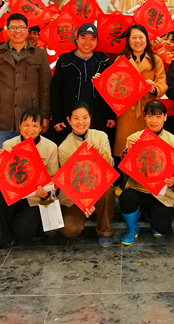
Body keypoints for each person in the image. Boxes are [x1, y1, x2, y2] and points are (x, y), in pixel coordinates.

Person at [0, 12, 52, 155]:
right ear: (7, 31)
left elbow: (45, 87)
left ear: (27, 30)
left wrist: (45, 116)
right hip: (0, 119)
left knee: (28, 161)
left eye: (21, 28)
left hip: (30, 121)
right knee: (2, 161)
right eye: (13, 28)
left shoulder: (39, 54)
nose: (17, 31)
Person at [119, 100, 174, 244]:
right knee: (126, 198)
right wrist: (129, 152)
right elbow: (125, 172)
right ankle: (132, 228)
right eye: (150, 116)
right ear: (145, 117)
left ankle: (151, 215)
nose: (154, 121)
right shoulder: (133, 138)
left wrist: (173, 181)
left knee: (161, 228)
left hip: (161, 192)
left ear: (165, 117)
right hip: (137, 187)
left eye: (158, 116)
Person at [0, 109, 59, 249]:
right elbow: (3, 177)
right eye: (26, 125)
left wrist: (45, 192)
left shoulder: (51, 147)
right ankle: (6, 237)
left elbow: (54, 178)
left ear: (41, 128)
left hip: (37, 198)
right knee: (0, 197)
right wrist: (3, 160)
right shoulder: (9, 144)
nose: (30, 129)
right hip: (17, 195)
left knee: (22, 233)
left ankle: (37, 227)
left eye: (35, 126)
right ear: (19, 125)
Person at [57, 102, 116, 247]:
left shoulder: (100, 136)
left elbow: (110, 167)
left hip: (98, 186)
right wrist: (84, 202)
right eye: (76, 118)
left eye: (85, 117)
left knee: (108, 190)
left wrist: (100, 153)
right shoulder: (64, 147)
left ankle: (105, 231)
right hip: (76, 194)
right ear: (69, 120)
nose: (81, 122)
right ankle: (85, 215)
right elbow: (68, 182)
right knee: (69, 230)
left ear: (90, 118)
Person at [48, 23, 115, 146]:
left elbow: (111, 91)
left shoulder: (104, 62)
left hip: (97, 118)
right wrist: (57, 118)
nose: (87, 42)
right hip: (69, 119)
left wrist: (111, 116)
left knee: (97, 152)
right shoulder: (64, 61)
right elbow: (55, 91)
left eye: (92, 39)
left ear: (97, 42)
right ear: (77, 39)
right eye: (83, 38)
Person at [114, 25, 168, 158]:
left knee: (146, 153)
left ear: (146, 39)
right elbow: (113, 84)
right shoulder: (120, 60)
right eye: (134, 38)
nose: (138, 41)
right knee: (125, 152)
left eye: (141, 37)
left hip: (147, 110)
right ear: (128, 40)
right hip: (126, 112)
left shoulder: (155, 60)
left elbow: (162, 82)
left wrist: (153, 88)